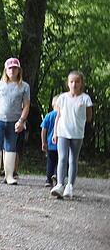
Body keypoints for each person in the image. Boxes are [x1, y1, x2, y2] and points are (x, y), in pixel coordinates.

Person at [0, 58, 30, 184]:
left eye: (15, 68)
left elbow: (26, 106)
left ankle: (9, 175)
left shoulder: (24, 86)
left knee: (10, 147)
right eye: (10, 68)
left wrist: (21, 121)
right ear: (5, 70)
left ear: (19, 70)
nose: (12, 70)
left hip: (14, 121)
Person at [50, 71, 93, 199]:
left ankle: (70, 186)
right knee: (62, 158)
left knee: (73, 159)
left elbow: (89, 117)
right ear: (68, 83)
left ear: (81, 84)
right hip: (63, 132)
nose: (74, 84)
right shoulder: (62, 98)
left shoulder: (85, 98)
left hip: (77, 133)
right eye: (71, 81)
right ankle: (59, 184)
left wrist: (79, 121)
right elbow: (58, 116)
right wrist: (55, 132)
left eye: (77, 81)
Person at [40, 96, 60, 187]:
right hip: (61, 144)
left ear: (52, 104)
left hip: (51, 144)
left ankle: (48, 179)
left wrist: (43, 142)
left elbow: (44, 129)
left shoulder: (48, 115)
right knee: (60, 161)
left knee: (50, 161)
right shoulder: (63, 115)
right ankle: (57, 176)